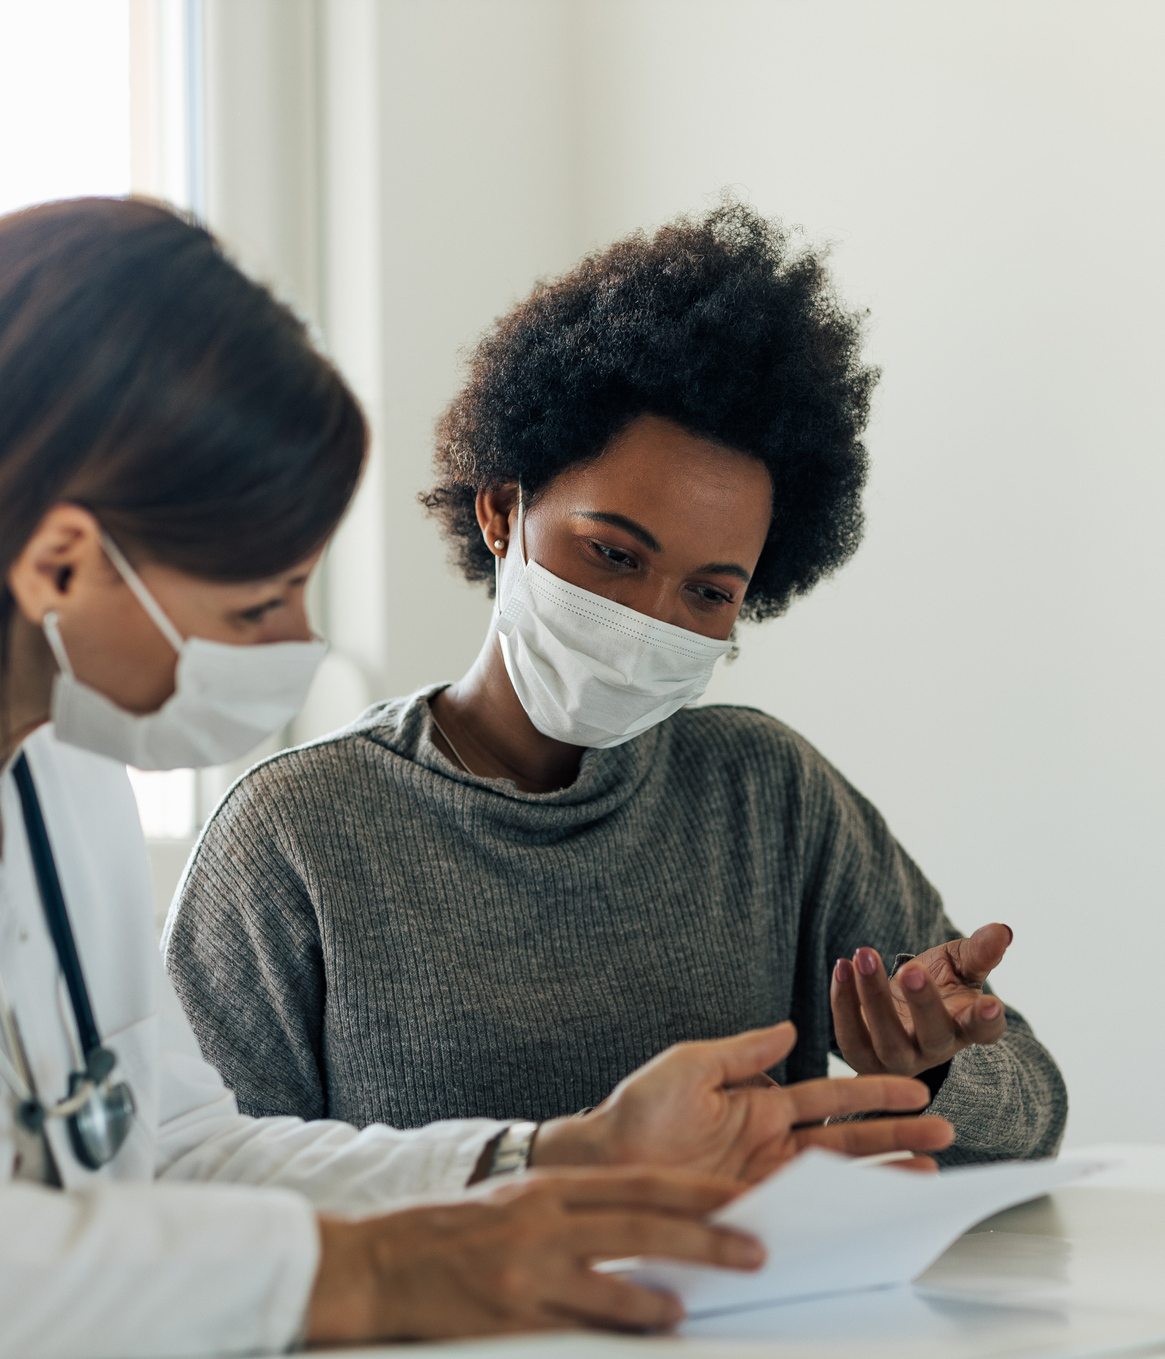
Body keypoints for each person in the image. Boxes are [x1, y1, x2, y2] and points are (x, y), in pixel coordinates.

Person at [0, 198, 950, 1359]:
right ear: (63, 560)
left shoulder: (46, 736)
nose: (294, 647)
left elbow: (168, 1150)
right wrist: (361, 1278)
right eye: (258, 600)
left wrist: (552, 1164)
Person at [166, 201, 1068, 1167]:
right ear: (502, 512)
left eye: (709, 591)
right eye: (610, 554)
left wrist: (933, 1061)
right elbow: (205, 1193)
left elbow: (1035, 1107)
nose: (648, 621)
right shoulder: (297, 835)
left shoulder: (767, 797)